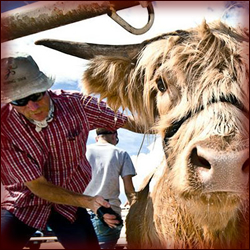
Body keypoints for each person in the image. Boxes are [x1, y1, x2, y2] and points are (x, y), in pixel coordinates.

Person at [0, 54, 140, 249]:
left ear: (45, 87)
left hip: (68, 202)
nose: (32, 107)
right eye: (20, 101)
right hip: (23, 204)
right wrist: (89, 201)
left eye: (36, 95)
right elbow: (38, 186)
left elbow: (128, 121)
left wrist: (171, 123)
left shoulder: (76, 105)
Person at [84, 128, 136, 249]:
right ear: (114, 136)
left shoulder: (83, 150)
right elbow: (129, 190)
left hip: (81, 213)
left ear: (97, 138)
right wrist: (135, 204)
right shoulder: (121, 153)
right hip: (108, 214)